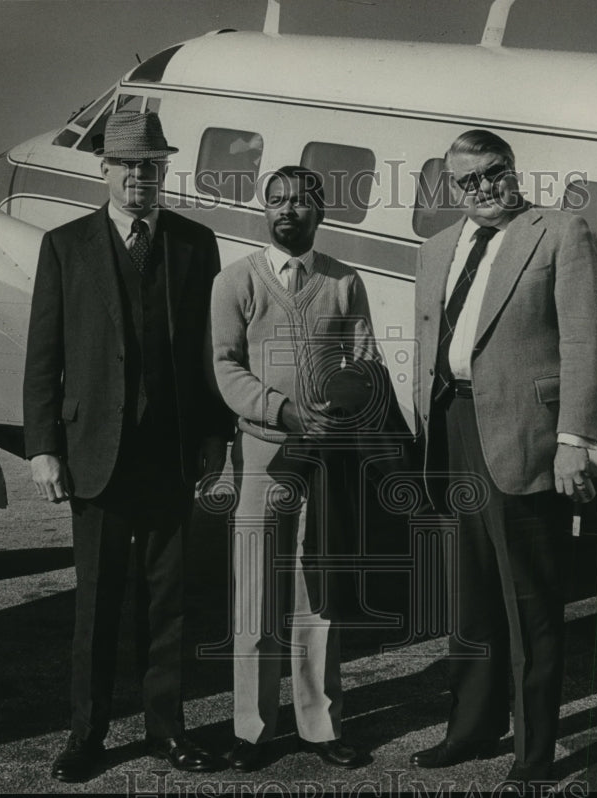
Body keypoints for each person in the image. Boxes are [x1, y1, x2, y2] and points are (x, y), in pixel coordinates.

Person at [23, 111, 232, 782]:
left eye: (152, 165)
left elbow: (207, 354)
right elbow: (44, 355)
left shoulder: (197, 245)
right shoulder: (66, 246)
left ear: (163, 170)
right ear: (105, 170)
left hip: (169, 453)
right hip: (95, 454)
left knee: (168, 603)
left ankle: (167, 730)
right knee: (98, 602)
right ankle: (87, 735)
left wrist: (214, 437)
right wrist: (43, 446)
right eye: (128, 165)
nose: (140, 176)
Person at [410, 129, 597, 786]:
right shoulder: (437, 249)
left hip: (527, 438)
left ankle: (534, 751)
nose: (483, 188)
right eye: (466, 180)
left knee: (531, 602)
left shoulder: (559, 233)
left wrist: (574, 442)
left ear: (513, 169)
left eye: (493, 172)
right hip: (455, 429)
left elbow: (586, 342)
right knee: (469, 598)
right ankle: (470, 728)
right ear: (451, 187)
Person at [209, 166, 379, 772]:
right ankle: (251, 730)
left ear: (320, 212)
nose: (288, 211)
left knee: (318, 595)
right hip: (261, 455)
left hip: (324, 458)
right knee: (256, 595)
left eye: (301, 201)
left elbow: (365, 360)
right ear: (265, 210)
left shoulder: (344, 282)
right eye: (276, 200)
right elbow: (225, 368)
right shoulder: (236, 282)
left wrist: (344, 398)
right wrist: (281, 410)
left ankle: (320, 725)